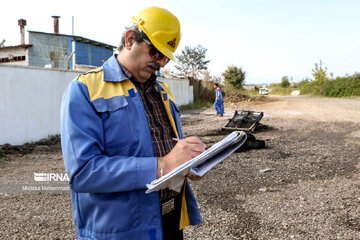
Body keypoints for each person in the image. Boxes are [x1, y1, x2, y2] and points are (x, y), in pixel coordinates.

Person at [60, 7, 206, 240]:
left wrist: (188, 164)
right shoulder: (85, 90)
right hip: (121, 231)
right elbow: (83, 172)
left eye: (166, 57)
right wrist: (163, 165)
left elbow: (168, 152)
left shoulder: (162, 91)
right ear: (129, 40)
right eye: (156, 52)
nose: (161, 63)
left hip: (170, 220)